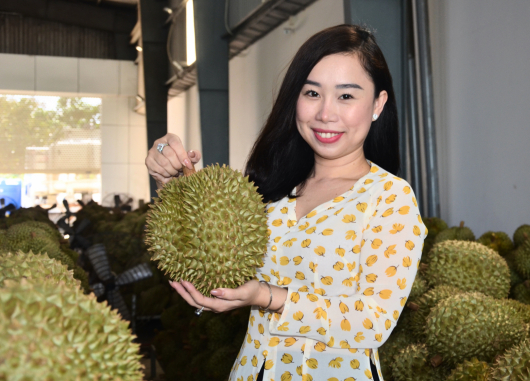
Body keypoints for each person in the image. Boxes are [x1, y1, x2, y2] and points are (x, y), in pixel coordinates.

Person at [145, 24, 425, 381]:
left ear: (377, 104)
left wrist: (267, 296)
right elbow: (213, 267)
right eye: (312, 93)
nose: (325, 113)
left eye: (346, 96)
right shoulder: (270, 188)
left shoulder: (389, 199)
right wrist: (170, 179)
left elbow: (372, 322)